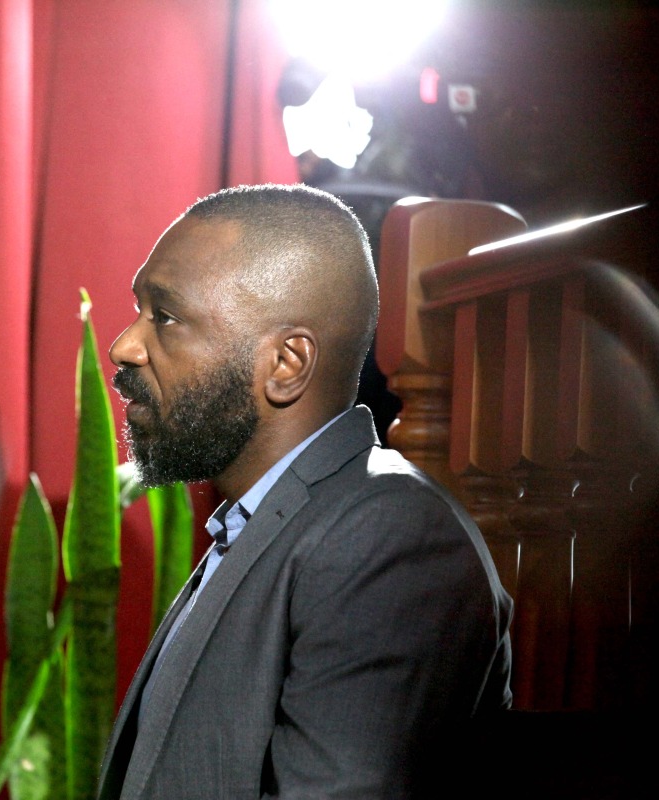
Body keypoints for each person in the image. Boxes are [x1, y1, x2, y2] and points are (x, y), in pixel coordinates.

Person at [98, 183, 513, 799]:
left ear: (287, 364)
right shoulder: (263, 523)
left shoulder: (388, 537)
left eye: (165, 316)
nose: (124, 346)